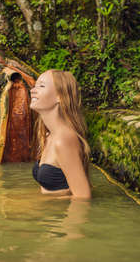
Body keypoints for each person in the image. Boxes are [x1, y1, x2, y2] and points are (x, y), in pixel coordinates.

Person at [30, 69, 92, 199]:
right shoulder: (49, 135)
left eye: (41, 86)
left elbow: (83, 197)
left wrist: (37, 207)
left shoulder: (64, 139)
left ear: (60, 96)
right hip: (48, 214)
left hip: (59, 215)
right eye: (35, 85)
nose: (32, 90)